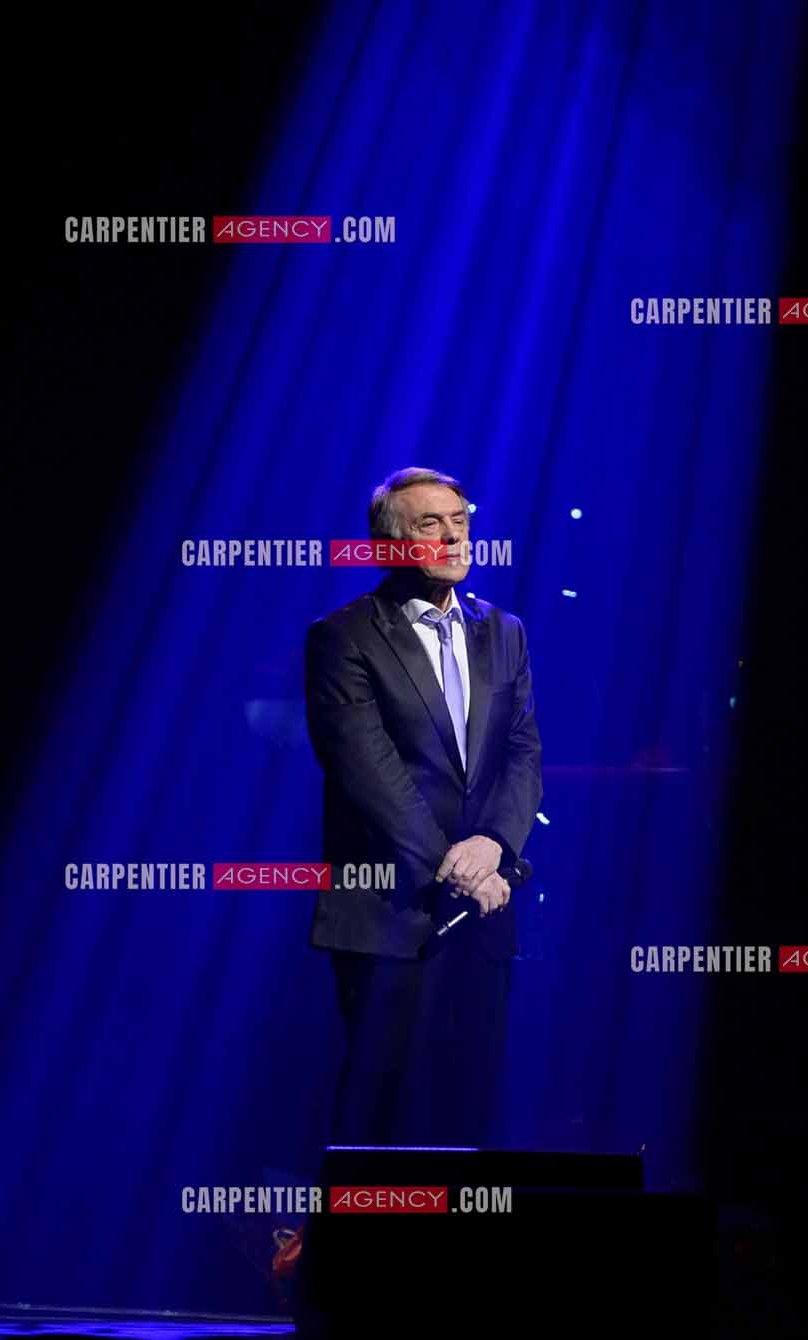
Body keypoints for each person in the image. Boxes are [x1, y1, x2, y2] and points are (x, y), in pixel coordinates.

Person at [305, 466, 543, 1147]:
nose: (452, 536)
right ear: (387, 545)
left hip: (484, 908)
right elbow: (366, 770)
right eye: (429, 525)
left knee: (467, 1104)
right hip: (389, 910)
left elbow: (523, 754)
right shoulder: (343, 636)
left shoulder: (504, 631)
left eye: (460, 522)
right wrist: (454, 862)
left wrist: (494, 845)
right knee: (382, 1109)